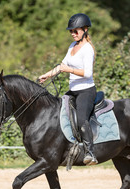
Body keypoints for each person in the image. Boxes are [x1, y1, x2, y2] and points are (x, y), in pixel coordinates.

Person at [38, 13, 97, 166]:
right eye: (71, 31)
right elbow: (61, 66)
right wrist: (47, 75)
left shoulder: (87, 49)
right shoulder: (72, 46)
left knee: (82, 119)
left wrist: (68, 69)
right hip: (73, 91)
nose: (72, 34)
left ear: (85, 30)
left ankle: (90, 152)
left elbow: (87, 73)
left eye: (75, 31)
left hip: (86, 91)